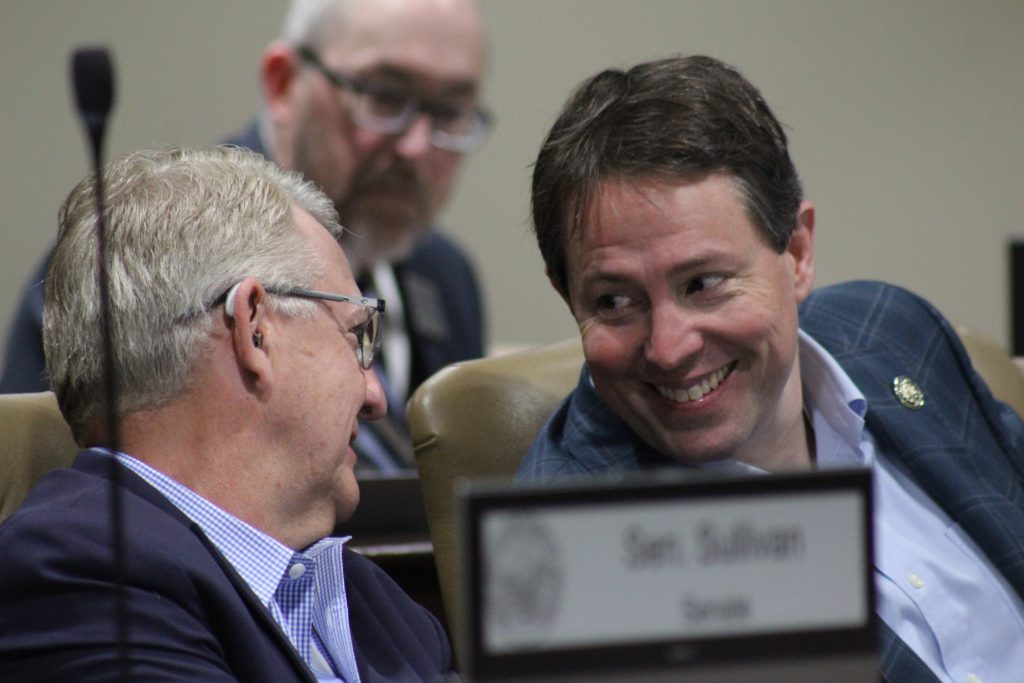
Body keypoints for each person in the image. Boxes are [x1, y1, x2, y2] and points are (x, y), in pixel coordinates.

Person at [517, 56, 1024, 682]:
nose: (670, 348)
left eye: (703, 283)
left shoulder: (892, 330)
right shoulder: (572, 557)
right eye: (614, 302)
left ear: (798, 253)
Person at [0, 146, 453, 682]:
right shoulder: (74, 574)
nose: (375, 396)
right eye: (356, 336)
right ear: (255, 330)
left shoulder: (376, 605)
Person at [2, 0, 490, 474]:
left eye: (450, 112)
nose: (416, 145)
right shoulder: (144, 253)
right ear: (282, 83)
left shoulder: (444, 275)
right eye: (384, 97)